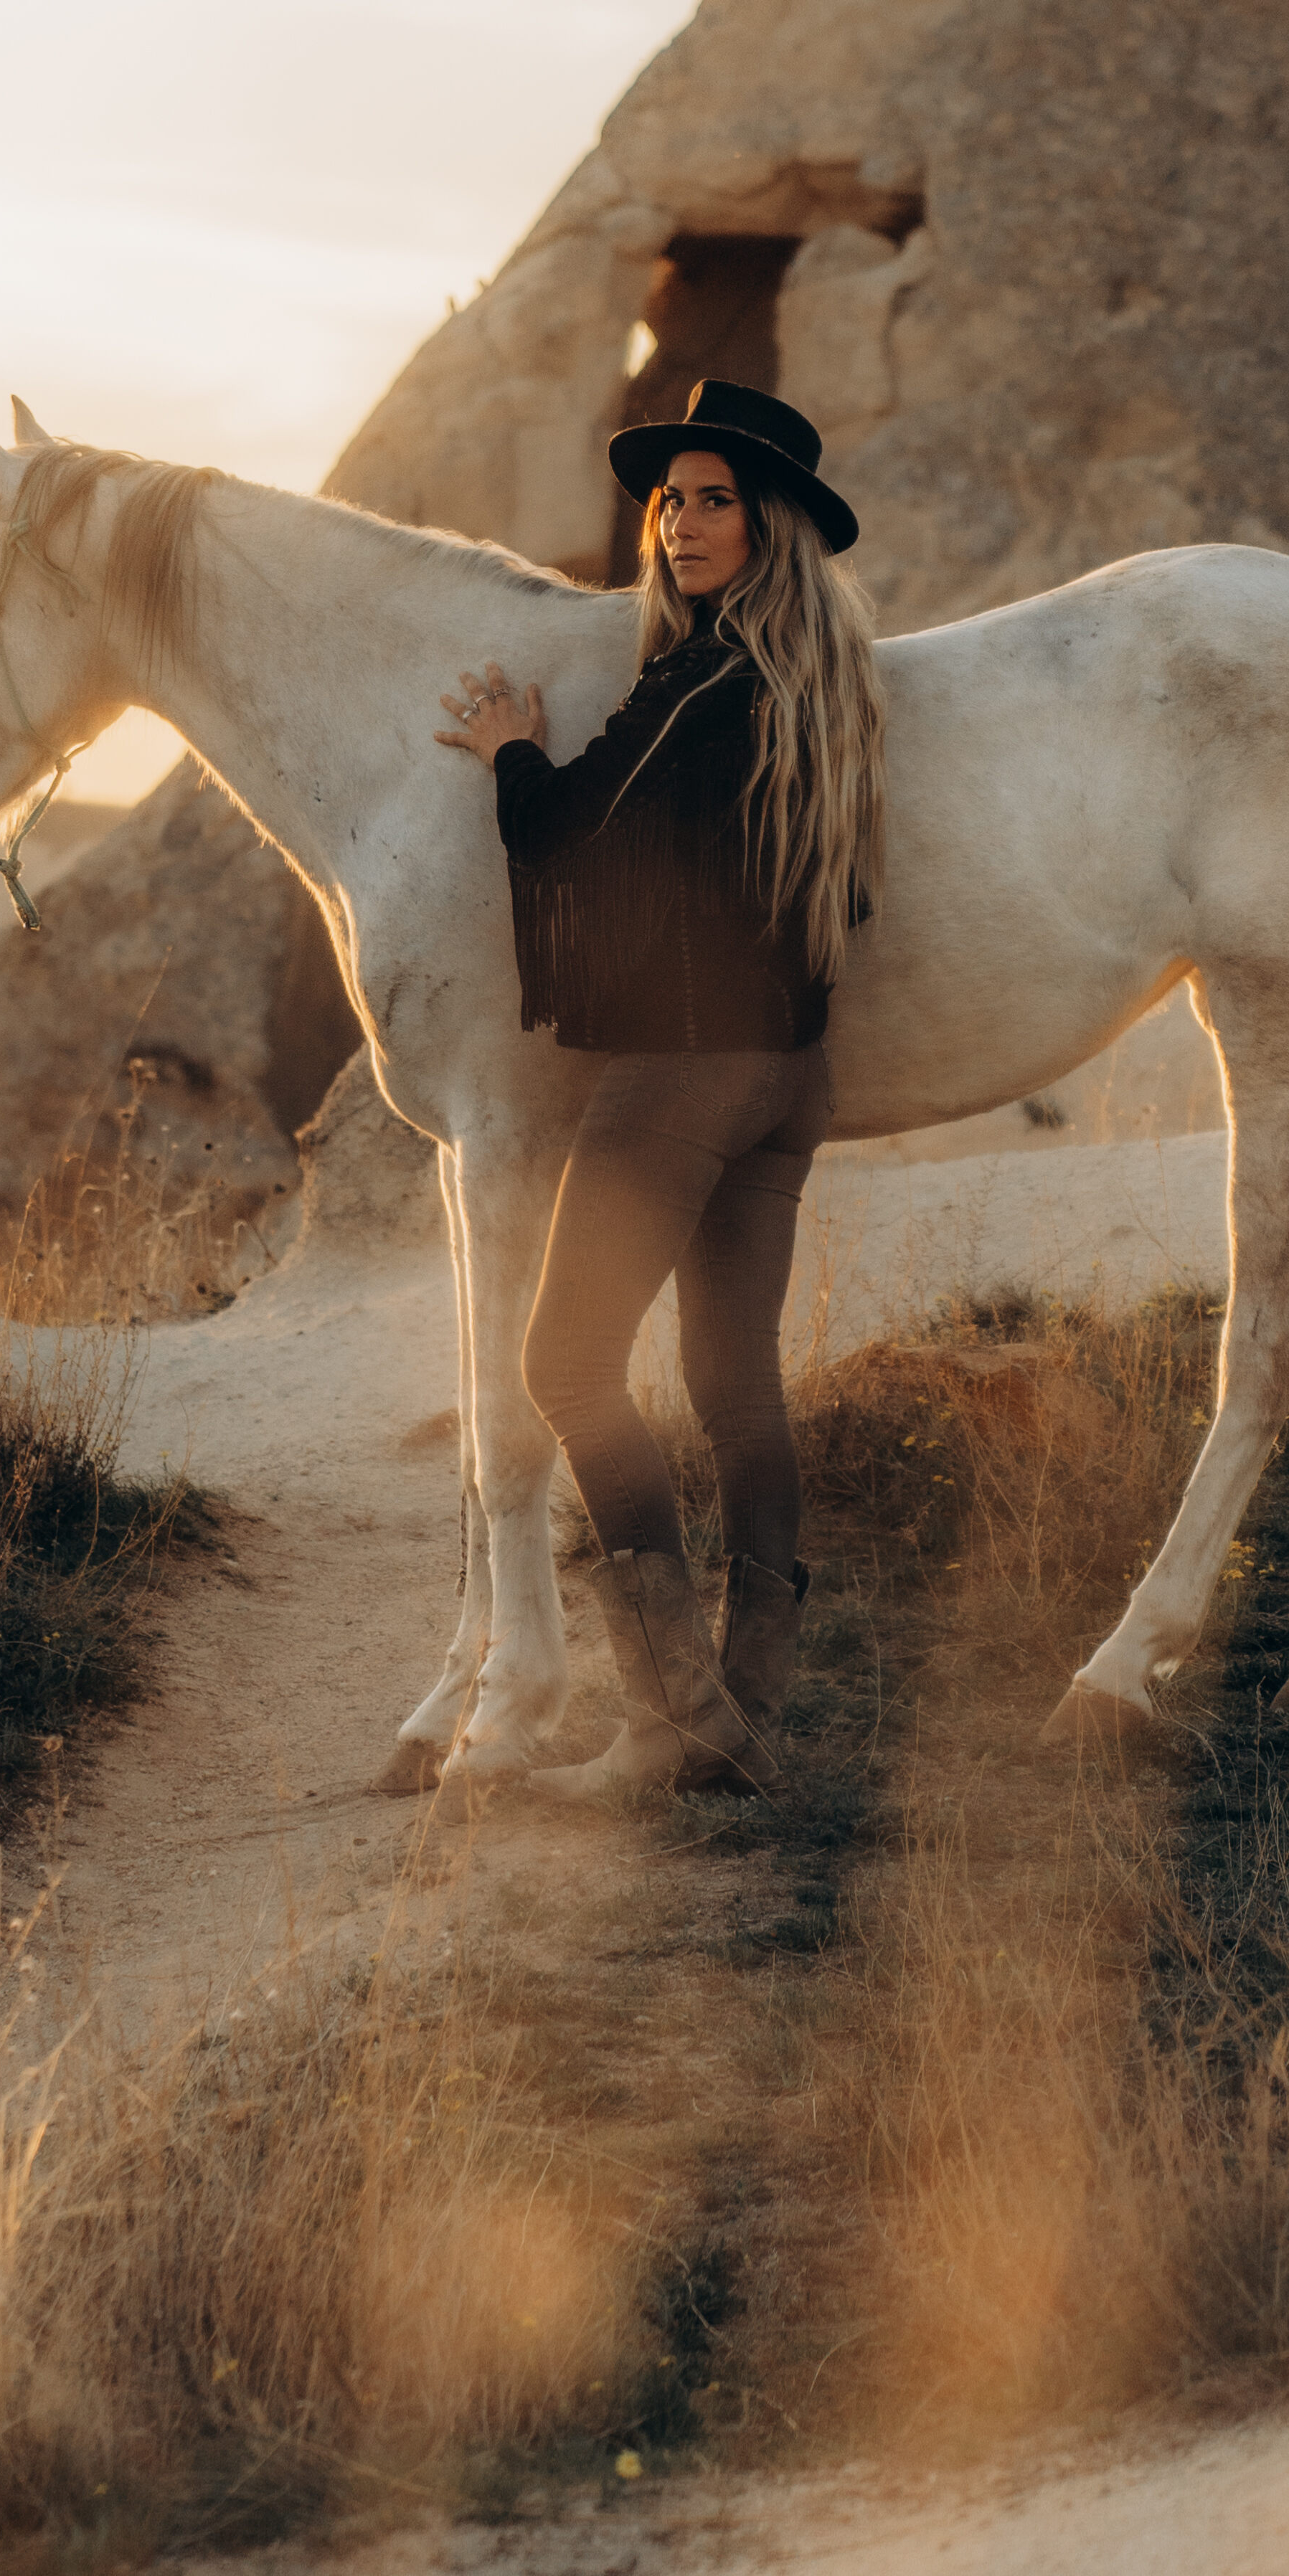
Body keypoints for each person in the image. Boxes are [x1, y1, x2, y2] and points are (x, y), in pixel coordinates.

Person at [436, 377, 885, 1797]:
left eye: (712, 499)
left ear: (767, 526)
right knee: (728, 1376)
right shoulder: (823, 681)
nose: (680, 523)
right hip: (788, 1071)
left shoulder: (701, 680)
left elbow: (571, 832)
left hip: (687, 1074)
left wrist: (512, 747)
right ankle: (742, 1704)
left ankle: (673, 1720)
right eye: (669, 498)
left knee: (564, 1365)